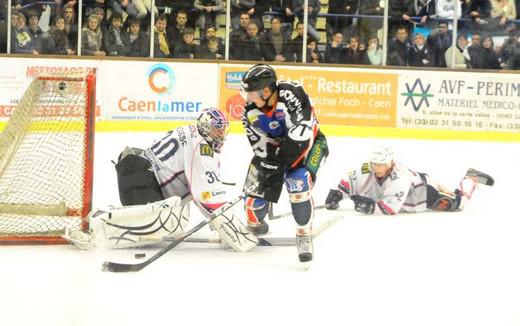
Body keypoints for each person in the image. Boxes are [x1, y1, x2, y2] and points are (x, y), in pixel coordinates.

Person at [65, 108, 257, 252]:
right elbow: (207, 196)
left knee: (179, 213)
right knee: (167, 222)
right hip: (140, 178)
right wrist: (237, 235)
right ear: (206, 129)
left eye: (222, 130)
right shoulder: (201, 148)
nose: (220, 135)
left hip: (136, 170)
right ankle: (98, 229)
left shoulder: (192, 131)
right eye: (216, 130)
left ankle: (108, 223)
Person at [240, 64, 329, 263]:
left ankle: (304, 234)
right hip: (276, 153)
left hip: (310, 147)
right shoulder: (249, 113)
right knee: (253, 204)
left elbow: (302, 134)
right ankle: (257, 223)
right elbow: (260, 148)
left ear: (266, 90)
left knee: (298, 186)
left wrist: (282, 165)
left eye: (252, 93)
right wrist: (269, 169)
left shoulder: (291, 93)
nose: (248, 98)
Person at [324, 147, 494, 215]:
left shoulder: (401, 178)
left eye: (381, 164)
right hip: (407, 189)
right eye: (374, 163)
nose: (376, 167)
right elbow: (349, 182)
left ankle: (469, 179)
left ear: (390, 163)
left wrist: (367, 205)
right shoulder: (367, 168)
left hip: (423, 192)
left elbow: (389, 208)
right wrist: (339, 194)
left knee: (458, 203)